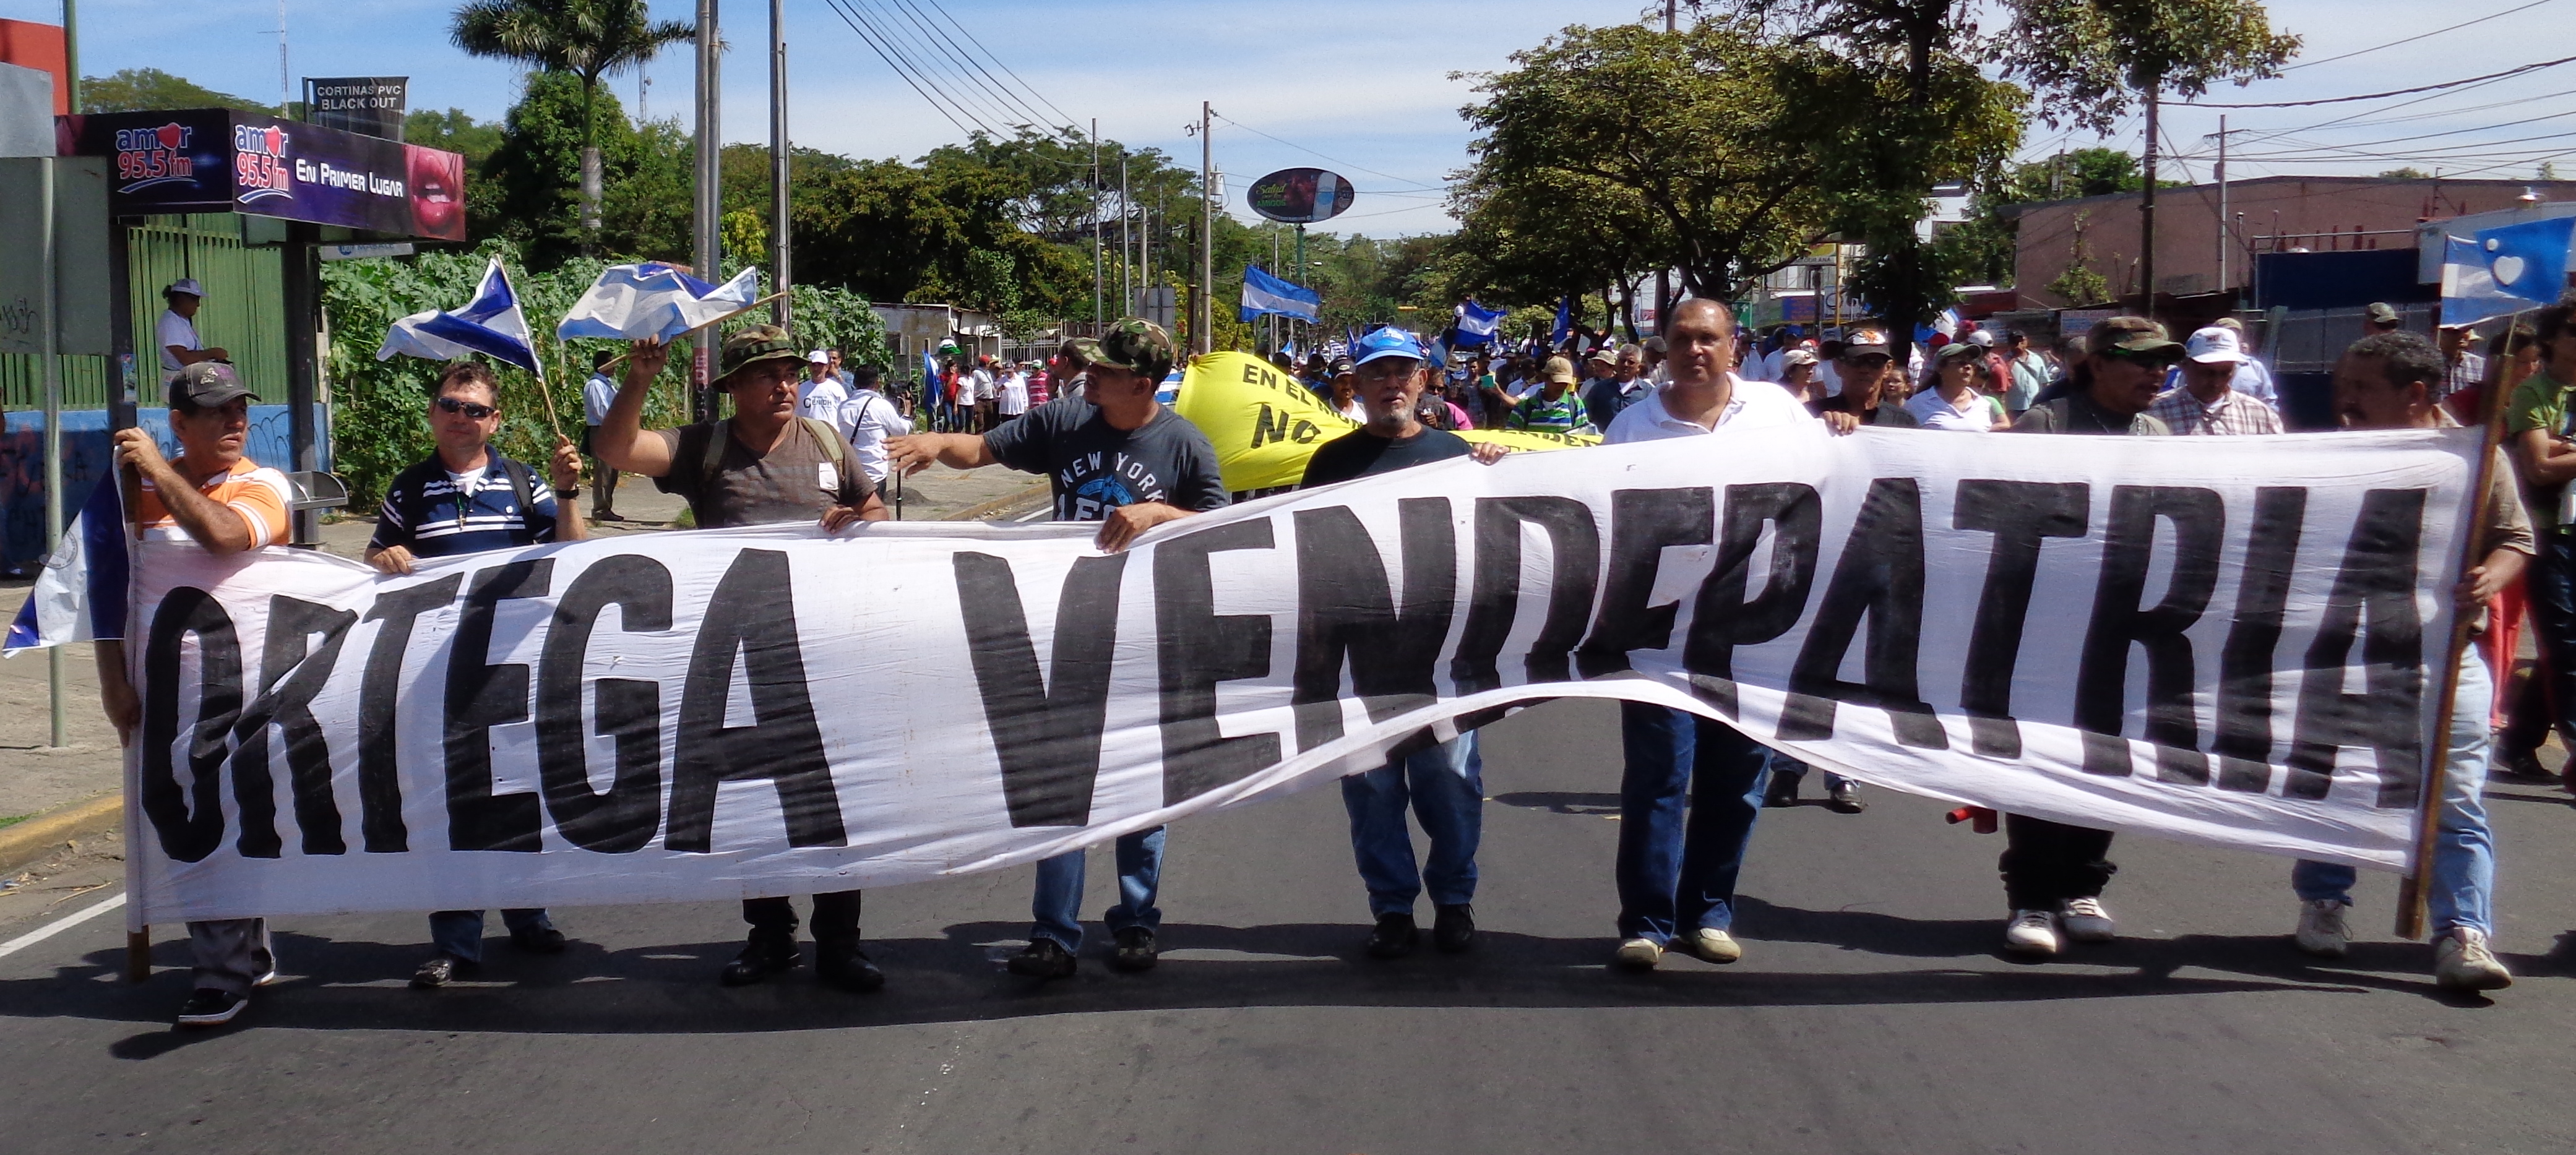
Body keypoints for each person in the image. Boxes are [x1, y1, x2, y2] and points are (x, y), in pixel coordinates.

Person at [884, 319, 1227, 981]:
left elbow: (1221, 524)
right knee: (1062, 783)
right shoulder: (1064, 420)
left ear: (1143, 383)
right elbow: (978, 449)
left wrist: (1159, 514)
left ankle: (1134, 922)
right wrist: (934, 441)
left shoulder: (1184, 445)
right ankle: (1053, 932)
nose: (1086, 373)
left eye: (1104, 369)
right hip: (1062, 631)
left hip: (1146, 638)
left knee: (1140, 786)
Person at [593, 324, 889, 993]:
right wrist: (639, 379)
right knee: (754, 802)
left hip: (826, 652)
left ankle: (840, 943)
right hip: (734, 663)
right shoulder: (705, 447)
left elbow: (874, 510)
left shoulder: (824, 441)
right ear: (733, 389)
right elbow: (614, 447)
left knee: (833, 799)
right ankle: (770, 936)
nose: (785, 384)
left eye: (789, 371)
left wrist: (860, 520)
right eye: (766, 375)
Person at [1600, 298, 1859, 971]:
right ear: (1663, 346)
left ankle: (1707, 914)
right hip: (1659, 641)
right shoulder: (1631, 428)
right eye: (1682, 338)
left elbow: (1834, 479)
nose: (1695, 351)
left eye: (1708, 338)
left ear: (1732, 346)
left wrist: (1842, 426)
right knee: (1657, 780)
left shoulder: (1777, 413)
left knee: (1736, 781)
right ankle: (1648, 923)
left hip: (1757, 635)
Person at [2294, 329, 2526, 990]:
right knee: (2332, 776)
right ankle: (2323, 898)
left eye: (2360, 388)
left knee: (2453, 796)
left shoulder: (2476, 458)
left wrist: (2488, 575)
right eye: (2342, 385)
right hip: (2349, 650)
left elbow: (2515, 538)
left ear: (2415, 392)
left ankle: (2461, 932)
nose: (2344, 399)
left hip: (2447, 657)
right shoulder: (2339, 454)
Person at [362, 362, 589, 990]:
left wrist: (568, 495)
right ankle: (456, 942)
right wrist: (381, 556)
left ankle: (529, 915)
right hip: (433, 677)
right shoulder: (407, 491)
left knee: (518, 795)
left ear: (496, 420)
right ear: (433, 413)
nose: (463, 417)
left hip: (513, 670)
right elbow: (375, 558)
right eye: (452, 405)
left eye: (476, 409)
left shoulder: (525, 483)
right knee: (448, 805)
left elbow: (571, 552)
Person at [1298, 327, 1508, 958]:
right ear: (1355, 386)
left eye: (1402, 372)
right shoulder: (1329, 463)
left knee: (1448, 779)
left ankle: (1453, 899)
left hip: (1444, 657)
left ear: (1422, 381)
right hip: (1358, 659)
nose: (1391, 384)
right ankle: (1391, 907)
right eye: (1376, 373)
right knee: (1370, 786)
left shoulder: (1459, 455)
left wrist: (1498, 470)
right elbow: (1303, 554)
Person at [97, 363, 296, 1027]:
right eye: (216, 411)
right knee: (192, 817)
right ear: (179, 422)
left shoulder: (263, 485)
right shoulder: (132, 493)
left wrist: (160, 470)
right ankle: (244, 952)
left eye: (240, 408)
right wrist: (111, 680)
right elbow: (106, 589)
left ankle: (219, 972)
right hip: (166, 693)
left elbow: (224, 534)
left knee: (222, 820)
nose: (235, 421)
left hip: (249, 689)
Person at [1995, 316, 2179, 958]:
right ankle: (2029, 898)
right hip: (2047, 625)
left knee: (2109, 757)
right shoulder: (2046, 425)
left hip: (2125, 627)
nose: (2156, 372)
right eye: (2141, 360)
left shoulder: (2157, 433)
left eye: (2163, 361)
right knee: (2040, 757)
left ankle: (2080, 884)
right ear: (2096, 364)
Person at [2501, 301, 2576, 791]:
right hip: (2550, 535)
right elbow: (2537, 468)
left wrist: (2563, 447)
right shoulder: (2532, 392)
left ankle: (2521, 737)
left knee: (2561, 648)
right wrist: (2554, 451)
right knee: (2567, 644)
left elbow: (2554, 456)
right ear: (2551, 339)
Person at [2148, 326, 2285, 436]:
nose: (2216, 383)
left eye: (2225, 373)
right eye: (2207, 373)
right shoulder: (2156, 412)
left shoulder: (2260, 414)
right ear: (2185, 366)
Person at [1811, 328, 1919, 427]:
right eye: (1856, 362)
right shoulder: (1809, 414)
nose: (1865, 370)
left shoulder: (1903, 421)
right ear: (1838, 367)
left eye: (1875, 363)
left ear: (1887, 369)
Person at [836, 364, 913, 492]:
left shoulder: (843, 406)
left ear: (855, 382)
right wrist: (907, 411)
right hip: (874, 473)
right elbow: (901, 431)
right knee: (874, 511)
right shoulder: (881, 405)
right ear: (877, 383)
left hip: (850, 473)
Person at [1905, 343, 2008, 431]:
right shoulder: (1917, 404)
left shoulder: (1983, 404)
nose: (1968, 367)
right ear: (1940, 368)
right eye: (1961, 363)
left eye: (1972, 363)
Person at [157, 278, 228, 386]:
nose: (198, 305)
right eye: (195, 300)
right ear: (182, 299)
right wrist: (212, 353)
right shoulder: (170, 322)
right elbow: (185, 358)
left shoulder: (181, 319)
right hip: (181, 384)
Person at [580, 348, 623, 520]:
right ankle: (600, 508)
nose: (615, 367)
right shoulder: (595, 385)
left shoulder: (608, 384)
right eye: (612, 363)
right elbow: (602, 411)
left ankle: (607, 507)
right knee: (603, 471)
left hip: (611, 430)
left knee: (612, 471)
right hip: (602, 430)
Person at [1509, 356, 1588, 433]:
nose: (1562, 386)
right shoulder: (1524, 407)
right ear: (1545, 378)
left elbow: (1583, 437)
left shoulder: (1575, 405)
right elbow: (1511, 438)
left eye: (1566, 383)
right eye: (1557, 382)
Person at [1582, 343, 1650, 431]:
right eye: (1622, 360)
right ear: (1616, 362)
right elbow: (1584, 417)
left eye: (1631, 362)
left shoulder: (1648, 392)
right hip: (1606, 442)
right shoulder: (1599, 389)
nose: (1626, 365)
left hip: (1636, 443)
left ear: (1639, 367)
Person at [798, 349, 849, 429]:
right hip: (808, 435)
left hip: (831, 435)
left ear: (827, 367)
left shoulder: (837, 388)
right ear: (809, 367)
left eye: (820, 365)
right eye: (813, 365)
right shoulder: (801, 389)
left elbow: (845, 415)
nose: (816, 368)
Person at [2440, 322, 2489, 403]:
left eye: (2466, 330)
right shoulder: (2427, 364)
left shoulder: (2482, 365)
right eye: (2455, 331)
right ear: (2437, 333)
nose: (2462, 335)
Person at [2003, 330, 2049, 416]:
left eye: (2021, 341)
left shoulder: (2036, 358)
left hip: (2035, 405)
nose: (2019, 344)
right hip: (2015, 407)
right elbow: (2002, 379)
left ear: (2026, 341)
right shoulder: (2004, 360)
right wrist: (2013, 359)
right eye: (2015, 342)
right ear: (2010, 344)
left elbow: (2044, 382)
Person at [996, 358, 1031, 425]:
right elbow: (997, 395)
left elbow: (1024, 393)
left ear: (1014, 370)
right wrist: (999, 390)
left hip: (1018, 408)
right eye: (1007, 372)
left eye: (1010, 372)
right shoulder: (1002, 380)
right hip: (1006, 409)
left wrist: (1025, 405)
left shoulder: (1020, 379)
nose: (1008, 373)